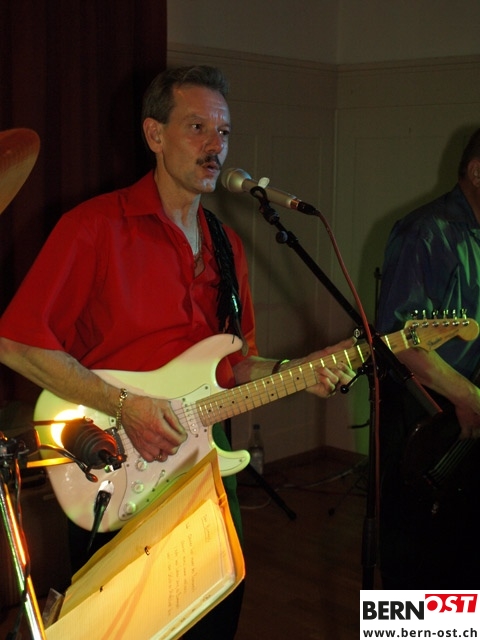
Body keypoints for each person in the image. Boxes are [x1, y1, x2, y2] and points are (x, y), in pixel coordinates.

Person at [0, 65, 355, 637]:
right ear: (154, 134)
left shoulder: (226, 244)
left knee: (216, 618)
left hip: (206, 469)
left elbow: (235, 364)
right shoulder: (93, 227)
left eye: (224, 132)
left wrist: (296, 371)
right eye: (197, 128)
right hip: (116, 467)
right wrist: (125, 405)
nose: (215, 146)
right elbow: (16, 343)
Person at [376, 127, 480, 589]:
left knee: (462, 564)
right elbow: (400, 340)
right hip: (424, 421)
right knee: (417, 565)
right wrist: (468, 396)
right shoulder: (425, 231)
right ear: (477, 172)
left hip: (467, 416)